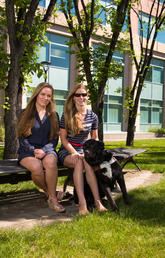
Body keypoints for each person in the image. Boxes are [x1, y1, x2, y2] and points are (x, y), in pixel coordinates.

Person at [58, 83, 107, 215]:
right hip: (67, 151)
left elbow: (94, 138)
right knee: (79, 162)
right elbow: (63, 139)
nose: (81, 97)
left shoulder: (93, 116)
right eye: (78, 95)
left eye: (84, 94)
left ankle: (98, 202)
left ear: (87, 96)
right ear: (73, 97)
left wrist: (94, 153)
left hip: (84, 152)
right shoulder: (66, 115)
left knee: (86, 162)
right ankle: (82, 204)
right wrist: (73, 152)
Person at [17, 82, 65, 213]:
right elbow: (21, 137)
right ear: (36, 94)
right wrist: (33, 151)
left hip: (47, 149)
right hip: (27, 151)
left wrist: (44, 150)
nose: (45, 98)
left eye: (49, 96)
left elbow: (55, 138)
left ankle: (52, 199)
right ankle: (52, 195)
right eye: (43, 94)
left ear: (51, 98)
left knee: (51, 162)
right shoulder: (24, 113)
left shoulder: (53, 115)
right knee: (37, 167)